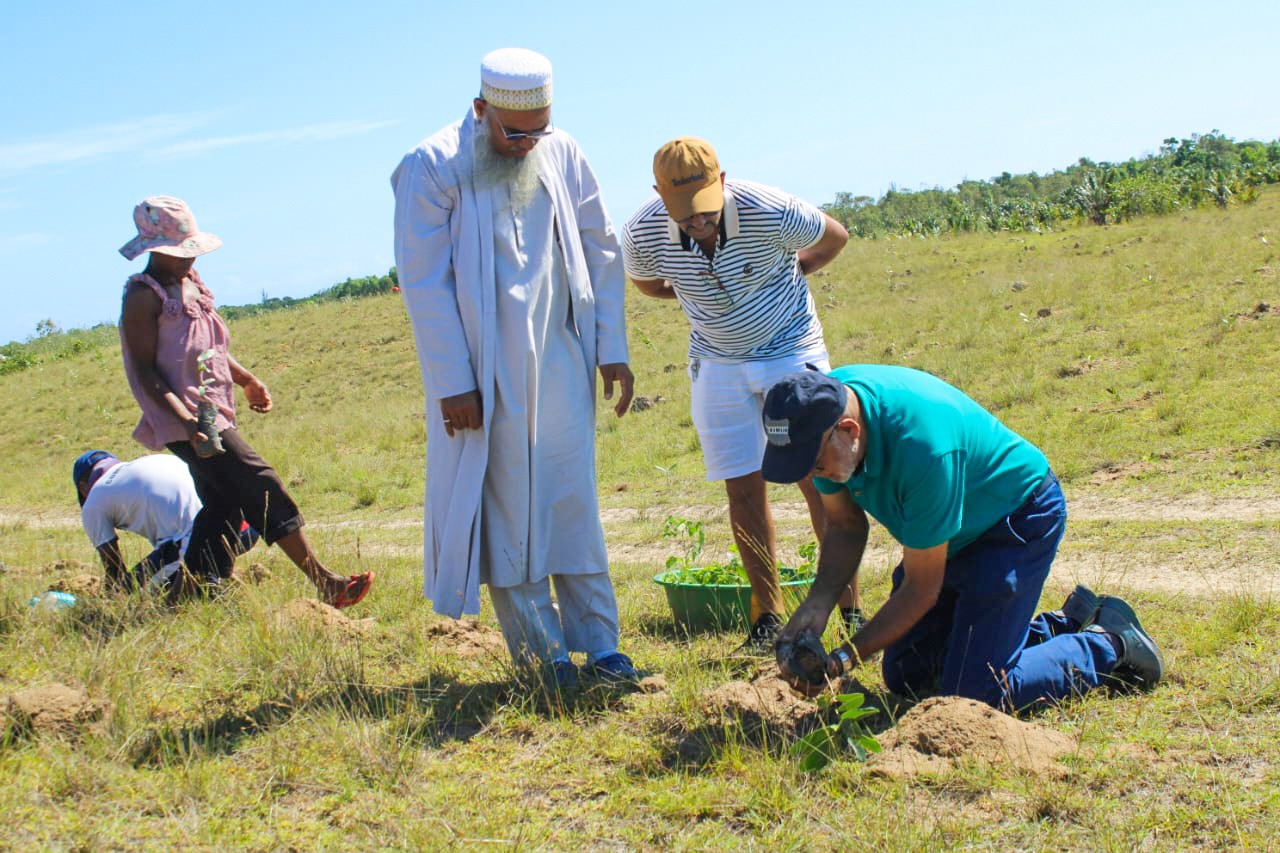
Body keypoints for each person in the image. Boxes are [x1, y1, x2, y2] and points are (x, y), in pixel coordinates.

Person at [390, 48, 636, 687]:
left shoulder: (562, 150)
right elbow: (424, 282)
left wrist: (611, 347)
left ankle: (602, 647)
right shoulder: (433, 165)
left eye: (538, 130)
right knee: (508, 510)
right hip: (482, 373)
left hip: (561, 357)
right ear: (480, 110)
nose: (528, 144)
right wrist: (453, 382)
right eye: (513, 132)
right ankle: (544, 658)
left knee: (570, 500)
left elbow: (601, 247)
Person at [763, 366, 1164, 711]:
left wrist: (844, 659)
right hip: (950, 532)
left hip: (1015, 520)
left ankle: (1111, 643)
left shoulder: (923, 450)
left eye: (815, 464)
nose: (812, 476)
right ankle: (1065, 624)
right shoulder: (821, 416)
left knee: (980, 693)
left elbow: (921, 590)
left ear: (849, 430)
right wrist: (814, 608)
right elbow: (846, 526)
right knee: (908, 673)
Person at [621, 138, 862, 652]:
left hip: (789, 347)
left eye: (705, 210)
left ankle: (850, 613)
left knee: (820, 479)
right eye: (684, 216)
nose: (698, 223)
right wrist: (696, 297)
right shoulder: (642, 231)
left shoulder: (767, 208)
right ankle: (766, 619)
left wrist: (797, 271)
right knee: (742, 486)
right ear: (659, 197)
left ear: (723, 181)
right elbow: (646, 283)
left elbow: (835, 236)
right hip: (717, 362)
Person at [118, 196, 373, 607]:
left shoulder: (192, 282)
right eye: (179, 253)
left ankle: (195, 588)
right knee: (259, 482)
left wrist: (247, 379)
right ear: (154, 250)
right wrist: (188, 422)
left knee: (225, 500)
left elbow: (211, 345)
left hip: (212, 409)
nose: (188, 259)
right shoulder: (142, 296)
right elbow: (145, 371)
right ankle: (324, 582)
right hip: (183, 416)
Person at [73, 450, 257, 593]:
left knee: (132, 591)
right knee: (177, 567)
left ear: (83, 487)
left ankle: (210, 590)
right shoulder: (152, 461)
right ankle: (216, 580)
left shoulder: (94, 501)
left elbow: (114, 568)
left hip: (198, 543)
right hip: (244, 529)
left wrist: (109, 598)